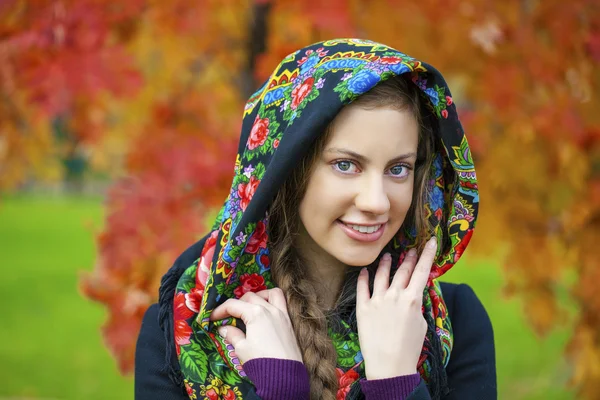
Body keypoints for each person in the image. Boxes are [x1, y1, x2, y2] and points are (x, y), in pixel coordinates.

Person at [135, 38, 496, 400]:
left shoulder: (454, 323)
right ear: (287, 171)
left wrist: (396, 384)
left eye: (398, 168)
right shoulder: (188, 331)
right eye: (345, 165)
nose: (376, 201)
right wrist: (281, 389)